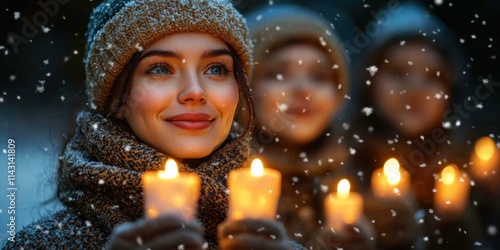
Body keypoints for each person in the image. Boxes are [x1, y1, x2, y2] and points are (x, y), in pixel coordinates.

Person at [2, 0, 304, 249]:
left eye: (216, 69)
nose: (195, 92)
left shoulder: (288, 232)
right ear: (116, 97)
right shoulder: (43, 244)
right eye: (160, 69)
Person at [347, 2, 490, 249]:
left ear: (451, 90)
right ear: (368, 82)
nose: (415, 92)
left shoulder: (476, 176)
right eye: (398, 73)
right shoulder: (342, 166)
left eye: (433, 76)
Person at [244, 4, 376, 249]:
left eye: (318, 76)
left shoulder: (364, 182)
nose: (303, 90)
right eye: (279, 74)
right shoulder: (215, 189)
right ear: (244, 90)